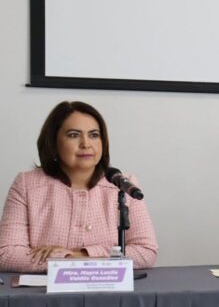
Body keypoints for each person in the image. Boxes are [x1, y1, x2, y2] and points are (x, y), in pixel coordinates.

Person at [0, 101, 158, 272]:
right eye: (74, 135)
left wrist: (77, 255)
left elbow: (145, 251)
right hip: (45, 289)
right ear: (53, 142)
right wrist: (71, 259)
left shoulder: (123, 184)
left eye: (94, 135)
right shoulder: (27, 184)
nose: (86, 144)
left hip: (107, 287)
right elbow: (6, 254)